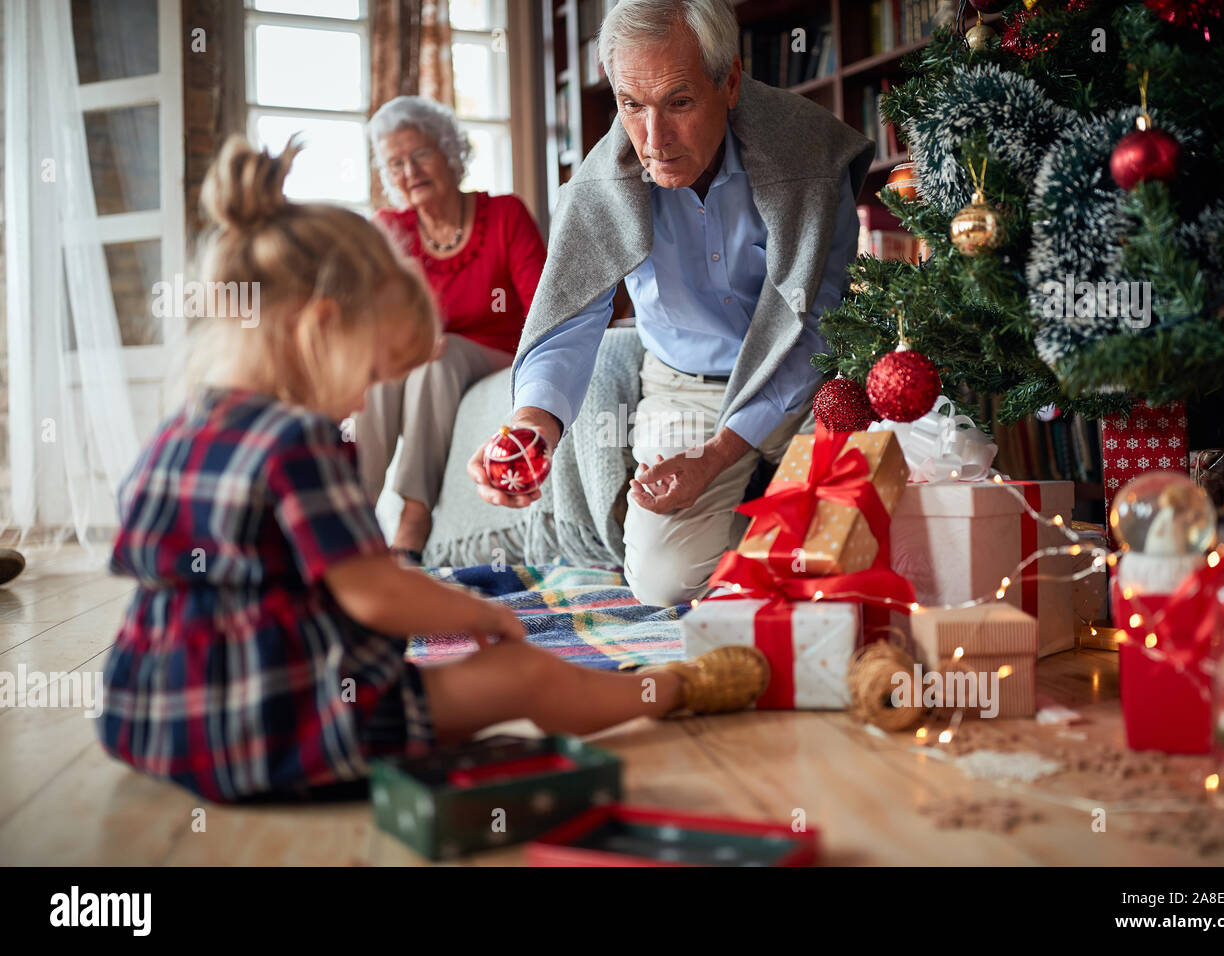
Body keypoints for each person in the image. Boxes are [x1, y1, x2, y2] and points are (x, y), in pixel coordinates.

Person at [98, 137, 770, 803]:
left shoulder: (179, 431)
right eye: (368, 374)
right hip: (282, 729)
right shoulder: (297, 442)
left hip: (153, 722)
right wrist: (485, 617)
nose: (363, 401)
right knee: (523, 676)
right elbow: (378, 594)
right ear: (321, 327)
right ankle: (680, 684)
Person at [467, 0, 871, 607]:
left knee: (866, 531)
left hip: (809, 383)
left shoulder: (812, 157)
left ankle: (773, 524)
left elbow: (817, 325)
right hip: (686, 386)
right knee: (662, 581)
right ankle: (777, 534)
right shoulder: (604, 182)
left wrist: (718, 457)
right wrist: (533, 425)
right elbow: (570, 320)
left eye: (679, 102)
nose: (653, 140)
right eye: (631, 105)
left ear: (729, 81)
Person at [355, 97, 546, 560]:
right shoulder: (389, 229)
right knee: (388, 370)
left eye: (420, 154)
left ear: (449, 153)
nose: (410, 171)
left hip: (500, 353)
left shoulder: (504, 216)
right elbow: (373, 316)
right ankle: (353, 511)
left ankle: (415, 520)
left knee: (437, 359)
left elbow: (543, 311)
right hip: (429, 358)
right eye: (395, 163)